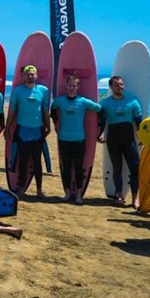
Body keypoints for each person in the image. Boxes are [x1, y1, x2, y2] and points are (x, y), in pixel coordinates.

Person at [51, 74, 101, 204]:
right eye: (70, 85)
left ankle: (79, 195)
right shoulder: (60, 100)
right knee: (66, 167)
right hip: (63, 138)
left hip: (79, 139)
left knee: (78, 167)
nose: (72, 88)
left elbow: (100, 109)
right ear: (66, 86)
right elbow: (52, 109)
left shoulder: (83, 102)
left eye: (74, 85)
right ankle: (67, 193)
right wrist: (56, 123)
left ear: (78, 86)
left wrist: (99, 128)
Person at [4, 65, 51, 198]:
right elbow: (12, 110)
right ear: (24, 76)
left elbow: (45, 110)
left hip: (37, 131)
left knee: (37, 162)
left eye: (32, 74)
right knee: (22, 161)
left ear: (36, 76)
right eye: (28, 74)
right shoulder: (17, 91)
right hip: (22, 131)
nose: (30, 76)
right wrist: (7, 128)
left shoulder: (44, 91)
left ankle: (39, 189)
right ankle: (20, 188)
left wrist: (48, 126)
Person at [97, 75, 142, 208]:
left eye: (121, 84)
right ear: (111, 87)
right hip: (113, 140)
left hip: (129, 140)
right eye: (117, 85)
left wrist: (143, 138)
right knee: (117, 168)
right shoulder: (105, 103)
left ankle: (135, 199)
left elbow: (139, 123)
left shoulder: (133, 102)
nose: (120, 87)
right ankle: (119, 195)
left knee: (135, 168)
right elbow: (102, 121)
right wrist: (98, 135)